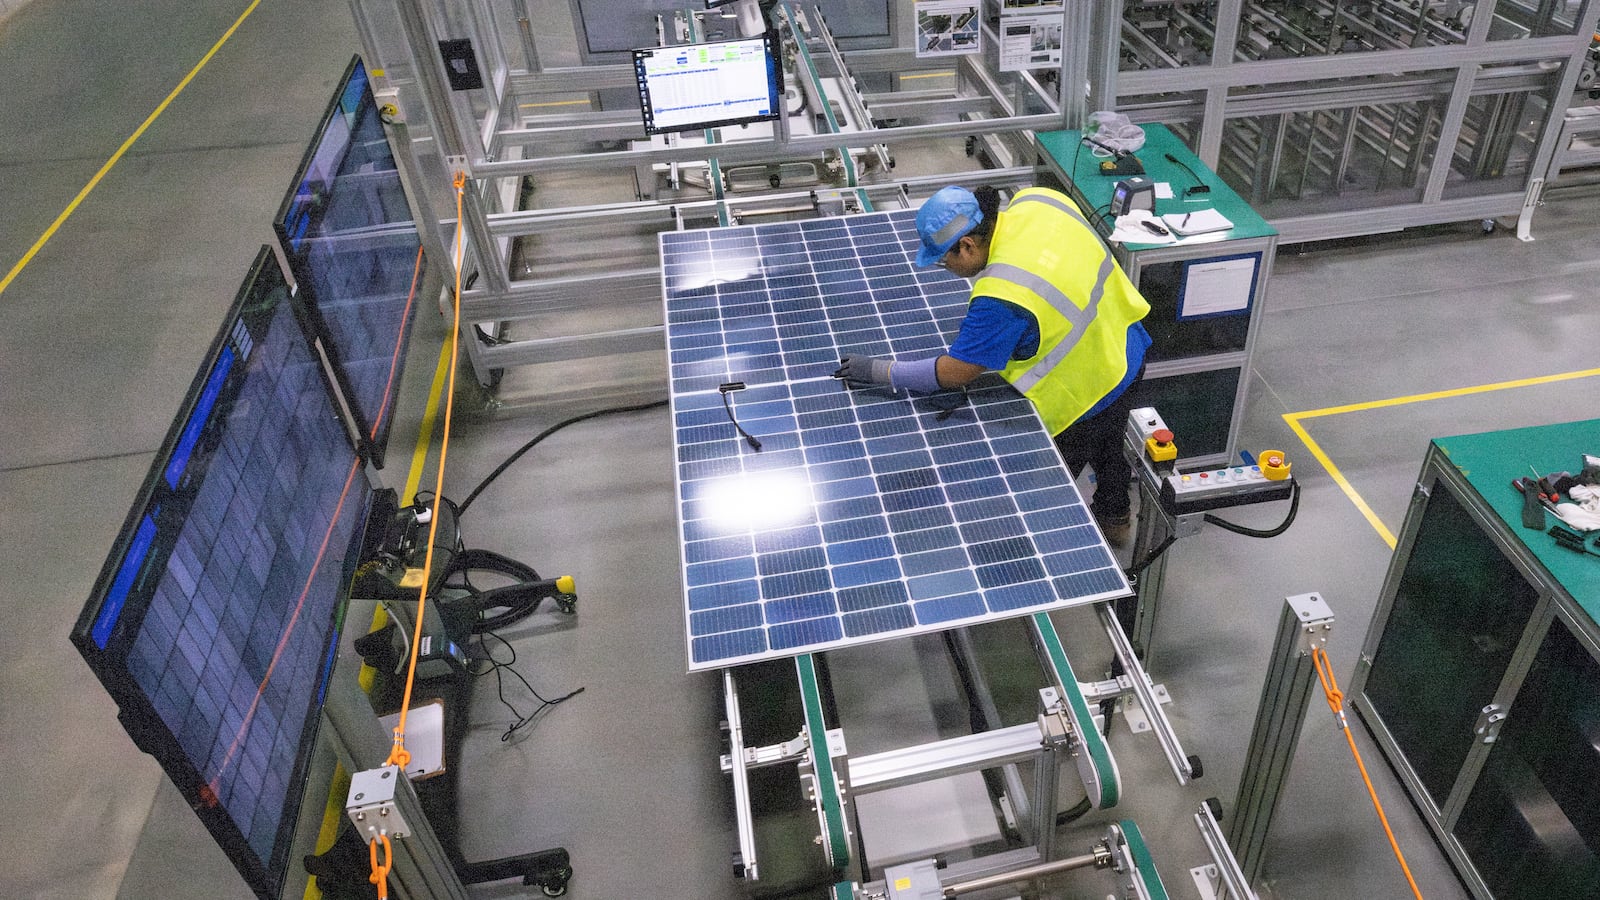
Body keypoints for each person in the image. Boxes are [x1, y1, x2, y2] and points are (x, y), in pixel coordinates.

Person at [837, 184, 1152, 545]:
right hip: (1126, 345)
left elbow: (956, 372)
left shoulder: (1002, 294)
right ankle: (1116, 518)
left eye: (944, 260)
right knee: (1111, 443)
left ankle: (1024, 553)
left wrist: (881, 371)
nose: (946, 268)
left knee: (1048, 479)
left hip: (1085, 391)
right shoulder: (1039, 200)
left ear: (968, 245)